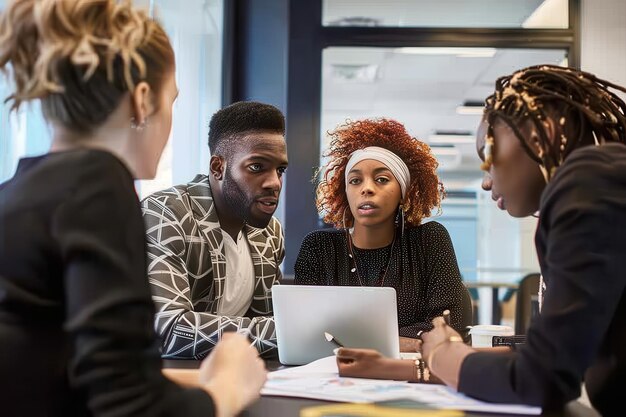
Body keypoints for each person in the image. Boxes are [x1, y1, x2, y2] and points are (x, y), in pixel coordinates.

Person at [0, 1, 265, 416]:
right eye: (172, 100)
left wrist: (198, 378)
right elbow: (130, 409)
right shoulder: (98, 186)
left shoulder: (19, 191)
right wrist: (228, 389)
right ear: (142, 100)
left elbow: (66, 365)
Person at [338, 65, 626, 415]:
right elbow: (545, 355)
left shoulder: (586, 182)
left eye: (487, 158)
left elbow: (542, 377)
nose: (487, 182)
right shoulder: (601, 183)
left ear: (540, 133)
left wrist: (444, 354)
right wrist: (402, 366)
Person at [294, 118, 473, 351]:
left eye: (381, 179)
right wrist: (402, 340)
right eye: (355, 180)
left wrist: (355, 340)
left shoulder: (429, 240)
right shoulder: (319, 247)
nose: (366, 188)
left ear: (403, 192)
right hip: (333, 372)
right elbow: (304, 328)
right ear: (345, 191)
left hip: (408, 376)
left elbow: (450, 325)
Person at [141, 101, 288, 359]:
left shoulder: (271, 233)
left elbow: (266, 320)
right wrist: (289, 330)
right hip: (171, 381)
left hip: (242, 379)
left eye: (280, 169)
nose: (274, 182)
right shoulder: (165, 214)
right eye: (257, 167)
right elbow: (169, 330)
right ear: (218, 167)